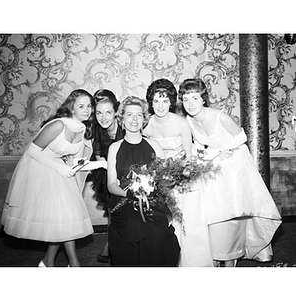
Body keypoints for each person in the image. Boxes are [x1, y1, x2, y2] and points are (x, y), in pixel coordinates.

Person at [178, 77, 282, 267]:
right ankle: (218, 252)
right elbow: (200, 144)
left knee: (233, 210)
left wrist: (219, 151)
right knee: (212, 212)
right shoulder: (189, 120)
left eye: (194, 98)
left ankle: (231, 256)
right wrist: (203, 156)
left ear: (203, 99)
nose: (190, 104)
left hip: (235, 160)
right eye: (186, 99)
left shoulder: (220, 116)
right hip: (214, 162)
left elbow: (241, 137)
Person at [1, 89, 95, 267]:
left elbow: (76, 162)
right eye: (81, 106)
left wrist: (102, 165)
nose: (87, 110)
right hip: (42, 169)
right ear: (71, 108)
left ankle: (48, 261)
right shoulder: (58, 125)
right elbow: (33, 151)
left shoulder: (82, 129)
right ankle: (73, 264)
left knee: (63, 220)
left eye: (89, 106)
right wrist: (60, 167)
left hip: (60, 172)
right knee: (63, 218)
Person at [143, 78, 214, 266]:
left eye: (165, 100)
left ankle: (192, 263)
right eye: (156, 100)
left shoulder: (182, 123)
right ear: (150, 102)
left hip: (182, 177)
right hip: (158, 179)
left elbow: (189, 158)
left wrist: (179, 174)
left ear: (172, 102)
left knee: (188, 220)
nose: (160, 105)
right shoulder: (146, 125)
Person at [107, 96, 180, 266]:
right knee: (133, 227)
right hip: (124, 203)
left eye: (139, 115)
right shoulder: (115, 148)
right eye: (130, 115)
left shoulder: (153, 144)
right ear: (122, 120)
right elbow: (111, 185)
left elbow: (165, 177)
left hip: (153, 203)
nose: (134, 119)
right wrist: (130, 193)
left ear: (144, 119)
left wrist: (157, 188)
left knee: (158, 233)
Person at [90, 89, 124, 263]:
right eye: (99, 113)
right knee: (113, 211)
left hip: (128, 172)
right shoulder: (97, 128)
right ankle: (110, 243)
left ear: (116, 112)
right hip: (106, 173)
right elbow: (98, 155)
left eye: (108, 112)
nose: (103, 118)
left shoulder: (125, 127)